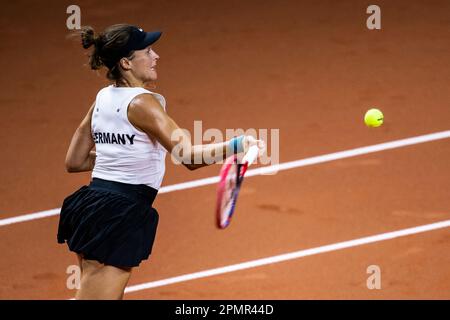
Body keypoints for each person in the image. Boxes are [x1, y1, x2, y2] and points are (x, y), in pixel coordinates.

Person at [57, 23, 264, 300]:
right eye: (148, 51)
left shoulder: (102, 98)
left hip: (95, 206)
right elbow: (187, 156)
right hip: (117, 215)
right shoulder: (143, 104)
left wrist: (119, 160)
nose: (156, 57)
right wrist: (238, 145)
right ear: (126, 63)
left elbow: (75, 160)